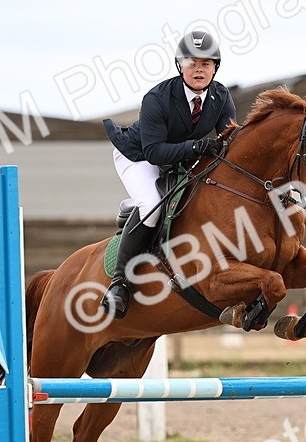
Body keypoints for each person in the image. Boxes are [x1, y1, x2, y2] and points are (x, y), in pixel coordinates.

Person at [100, 30, 237, 319]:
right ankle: (119, 283)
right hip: (138, 156)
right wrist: (196, 146)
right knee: (151, 205)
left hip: (180, 157)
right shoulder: (157, 98)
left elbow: (230, 140)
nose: (198, 69)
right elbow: (154, 153)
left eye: (206, 63)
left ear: (215, 68)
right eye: (191, 63)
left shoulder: (221, 96)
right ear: (179, 66)